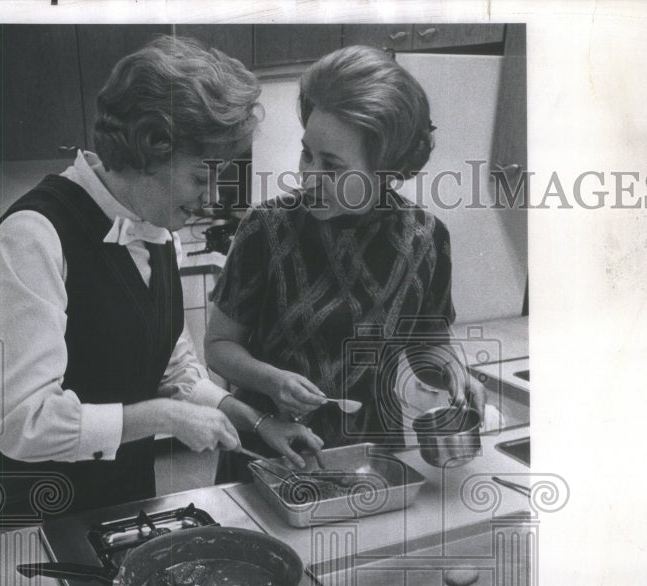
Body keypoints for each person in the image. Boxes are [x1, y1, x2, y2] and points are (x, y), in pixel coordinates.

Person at [0, 35, 321, 528]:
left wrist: (258, 422)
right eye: (201, 178)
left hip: (124, 496)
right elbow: (22, 423)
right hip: (35, 514)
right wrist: (163, 418)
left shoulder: (159, 231)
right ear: (152, 147)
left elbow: (175, 371)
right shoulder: (32, 236)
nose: (210, 197)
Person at [205, 45, 485, 483]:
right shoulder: (267, 228)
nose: (308, 176)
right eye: (307, 155)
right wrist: (271, 379)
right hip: (270, 455)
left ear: (385, 170)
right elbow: (219, 346)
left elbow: (428, 343)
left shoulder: (425, 237)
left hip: (372, 459)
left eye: (333, 167)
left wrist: (454, 372)